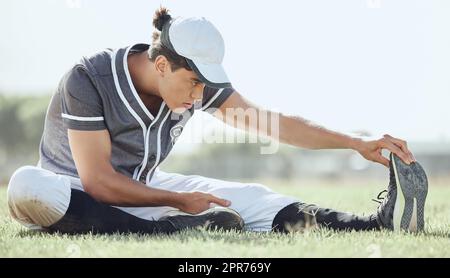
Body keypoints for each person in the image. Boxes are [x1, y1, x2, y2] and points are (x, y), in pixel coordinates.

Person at [6, 7, 428, 235]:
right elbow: (98, 182)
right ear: (161, 65)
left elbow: (272, 123)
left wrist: (355, 142)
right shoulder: (89, 78)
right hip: (74, 194)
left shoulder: (195, 84)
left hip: (145, 192)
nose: (198, 96)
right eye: (193, 83)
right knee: (27, 185)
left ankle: (373, 223)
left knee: (251, 197)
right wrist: (180, 201)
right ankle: (171, 228)